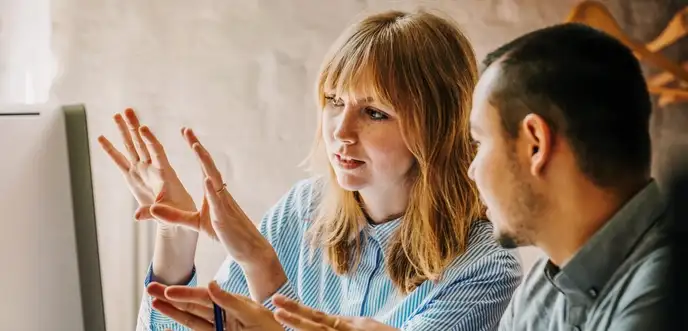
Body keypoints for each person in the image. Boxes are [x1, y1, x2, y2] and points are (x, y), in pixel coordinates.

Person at [98, 9, 522, 331]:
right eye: (335, 101)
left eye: (374, 112)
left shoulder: (485, 266)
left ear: (439, 125)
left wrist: (264, 270)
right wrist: (176, 235)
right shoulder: (304, 209)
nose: (341, 130)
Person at [467, 23, 671, 330]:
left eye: (479, 143)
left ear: (535, 144)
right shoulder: (542, 285)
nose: (472, 170)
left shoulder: (669, 293)